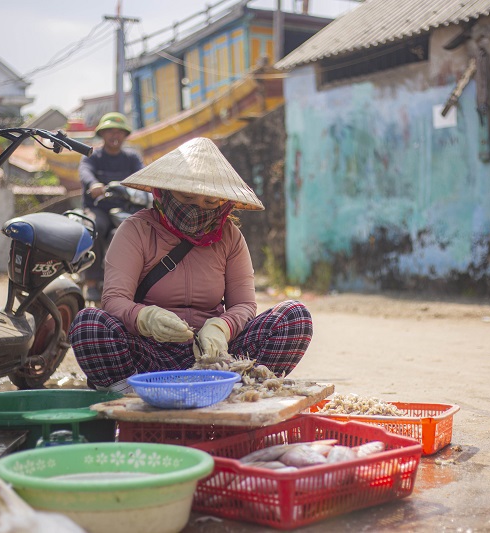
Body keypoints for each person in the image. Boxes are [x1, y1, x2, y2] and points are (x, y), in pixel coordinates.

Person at [69, 137, 313, 393]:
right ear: (164, 192)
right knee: (89, 324)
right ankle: (134, 397)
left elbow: (244, 304)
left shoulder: (230, 237)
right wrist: (145, 318)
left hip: (216, 358)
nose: (198, 209)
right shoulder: (136, 229)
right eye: (187, 197)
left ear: (224, 203)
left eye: (210, 202)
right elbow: (114, 299)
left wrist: (222, 327)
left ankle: (231, 389)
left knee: (294, 317)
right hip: (149, 355)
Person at [78, 111, 149, 303]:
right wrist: (93, 184)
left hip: (126, 209)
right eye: (110, 131)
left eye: (119, 132)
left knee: (139, 232)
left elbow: (142, 175)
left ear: (125, 135)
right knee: (96, 227)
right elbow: (85, 172)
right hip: (98, 209)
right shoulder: (93, 156)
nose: (114, 136)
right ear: (102, 134)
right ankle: (91, 282)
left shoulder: (132, 158)